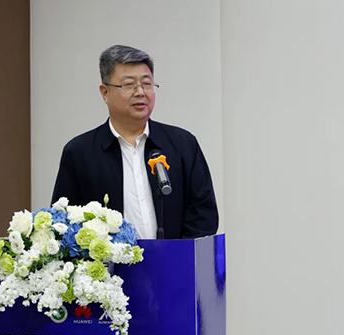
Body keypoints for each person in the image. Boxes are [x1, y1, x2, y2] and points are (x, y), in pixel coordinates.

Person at [51, 45, 218, 239]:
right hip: (109, 259)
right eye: (129, 85)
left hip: (175, 258)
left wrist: (179, 255)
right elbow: (64, 224)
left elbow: (203, 215)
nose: (140, 92)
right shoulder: (80, 153)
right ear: (105, 93)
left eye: (147, 84)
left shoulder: (183, 145)